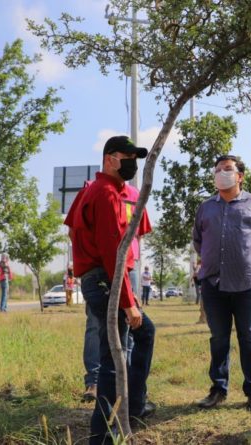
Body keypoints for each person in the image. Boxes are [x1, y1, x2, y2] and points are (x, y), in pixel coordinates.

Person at [64, 135, 156, 444]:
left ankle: (133, 405)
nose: (132, 163)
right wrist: (127, 301)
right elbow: (110, 248)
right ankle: (102, 434)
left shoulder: (116, 191)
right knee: (113, 356)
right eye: (126, 157)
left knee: (140, 335)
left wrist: (128, 291)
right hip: (105, 279)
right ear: (109, 159)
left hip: (111, 277)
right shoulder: (104, 193)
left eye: (135, 158)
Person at [192, 154, 251, 413]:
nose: (221, 173)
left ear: (240, 176)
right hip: (213, 283)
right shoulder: (205, 207)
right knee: (218, 338)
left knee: (249, 337)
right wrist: (210, 262)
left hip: (246, 284)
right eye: (218, 169)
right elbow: (198, 240)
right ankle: (218, 389)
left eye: (227, 169)